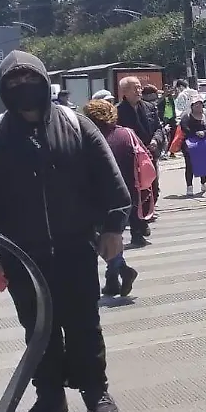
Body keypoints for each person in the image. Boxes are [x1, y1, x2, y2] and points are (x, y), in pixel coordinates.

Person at [0, 50, 132, 412]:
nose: (23, 87)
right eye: (14, 82)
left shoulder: (77, 125)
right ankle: (50, 398)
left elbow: (111, 183)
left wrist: (114, 229)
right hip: (23, 258)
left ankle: (95, 391)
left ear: (43, 80)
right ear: (3, 89)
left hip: (76, 250)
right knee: (40, 331)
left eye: (29, 79)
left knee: (85, 324)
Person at [82, 99, 142, 297]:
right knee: (114, 236)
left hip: (98, 199)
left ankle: (122, 271)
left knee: (99, 238)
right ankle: (112, 280)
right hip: (127, 196)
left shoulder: (88, 137)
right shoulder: (127, 134)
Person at [117, 77, 162, 246]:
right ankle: (137, 230)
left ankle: (143, 220)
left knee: (153, 190)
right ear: (124, 92)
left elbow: (158, 127)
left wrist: (156, 140)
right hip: (130, 158)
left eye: (139, 87)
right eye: (134, 88)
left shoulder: (150, 107)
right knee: (136, 195)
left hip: (149, 156)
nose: (138, 90)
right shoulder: (118, 112)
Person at [179, 94, 206, 196]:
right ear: (192, 106)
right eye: (196, 105)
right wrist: (195, 133)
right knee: (189, 165)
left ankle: (203, 184)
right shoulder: (187, 117)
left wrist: (204, 133)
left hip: (203, 144)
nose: (198, 107)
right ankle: (189, 186)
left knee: (204, 164)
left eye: (200, 105)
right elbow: (184, 127)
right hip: (189, 145)